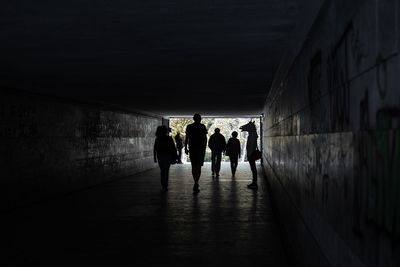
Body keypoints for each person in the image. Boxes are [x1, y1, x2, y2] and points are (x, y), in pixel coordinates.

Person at [184, 114, 207, 193]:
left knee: (194, 166)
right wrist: (204, 147)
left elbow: (187, 138)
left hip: (192, 148)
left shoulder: (189, 126)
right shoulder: (202, 126)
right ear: (200, 119)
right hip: (200, 149)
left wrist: (186, 148)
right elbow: (205, 138)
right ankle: (196, 182)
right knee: (199, 166)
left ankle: (195, 182)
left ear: (193, 119)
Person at [154, 125, 178, 192]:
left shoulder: (158, 139)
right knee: (166, 171)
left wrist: (155, 158)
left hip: (160, 156)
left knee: (162, 171)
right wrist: (176, 157)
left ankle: (163, 184)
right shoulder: (169, 138)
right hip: (168, 156)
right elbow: (173, 148)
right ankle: (165, 185)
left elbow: (155, 149)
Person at [239, 121, 258, 189]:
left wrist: (249, 155)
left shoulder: (252, 135)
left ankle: (254, 183)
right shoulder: (253, 134)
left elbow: (251, 146)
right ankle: (254, 182)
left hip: (251, 154)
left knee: (253, 169)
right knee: (253, 169)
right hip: (251, 154)